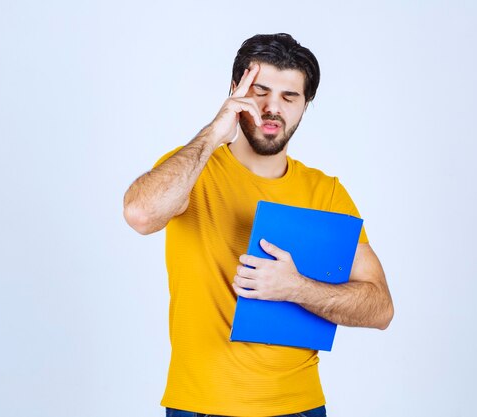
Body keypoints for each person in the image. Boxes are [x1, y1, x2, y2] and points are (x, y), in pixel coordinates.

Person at [123, 33, 394, 417]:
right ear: (236, 90)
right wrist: (215, 131)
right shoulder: (192, 169)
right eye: (260, 91)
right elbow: (140, 214)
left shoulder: (326, 192)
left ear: (305, 105)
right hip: (200, 406)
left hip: (298, 407)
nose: (272, 108)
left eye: (289, 97)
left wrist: (296, 288)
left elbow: (380, 308)